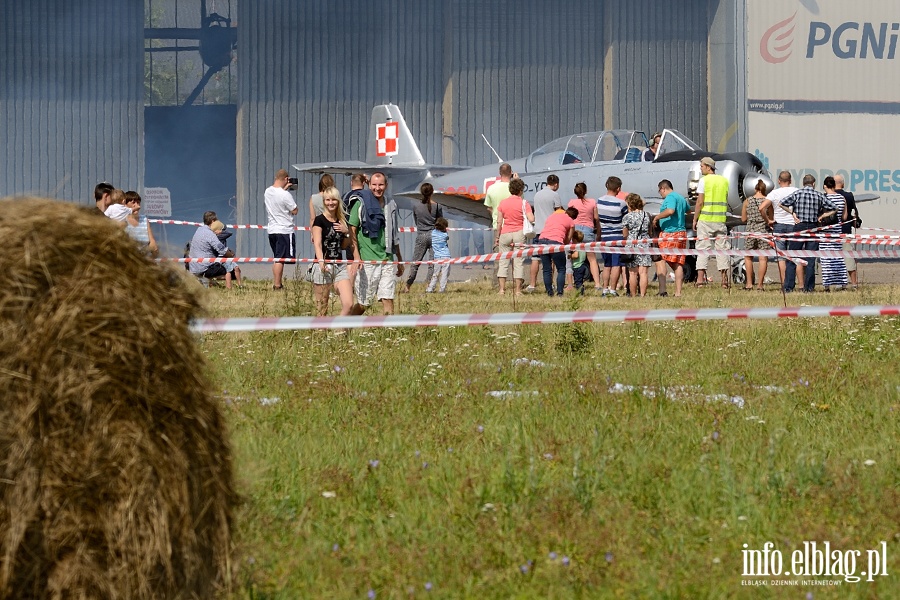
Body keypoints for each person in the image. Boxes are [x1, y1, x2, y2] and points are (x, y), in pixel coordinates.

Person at [349, 172, 404, 315]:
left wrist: (399, 259)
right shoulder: (360, 203)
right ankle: (344, 327)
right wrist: (356, 257)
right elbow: (352, 230)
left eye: (380, 185)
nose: (377, 188)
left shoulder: (391, 204)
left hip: (387, 259)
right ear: (369, 185)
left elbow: (394, 234)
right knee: (363, 304)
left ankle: (390, 334)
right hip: (367, 260)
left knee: (388, 299)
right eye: (374, 184)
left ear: (386, 185)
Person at [779, 174, 838, 293]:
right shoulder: (819, 195)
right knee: (810, 259)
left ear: (803, 183)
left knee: (792, 257)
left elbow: (781, 203)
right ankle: (809, 288)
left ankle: (788, 287)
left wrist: (792, 213)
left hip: (799, 227)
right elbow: (834, 208)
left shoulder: (797, 193)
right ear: (814, 183)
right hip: (813, 227)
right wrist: (822, 216)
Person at [311, 186, 354, 315]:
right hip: (322, 265)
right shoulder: (319, 220)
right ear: (324, 202)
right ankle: (320, 333)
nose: (331, 203)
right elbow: (317, 244)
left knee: (349, 304)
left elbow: (344, 245)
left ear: (338, 201)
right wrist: (321, 261)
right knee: (322, 307)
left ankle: (339, 331)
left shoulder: (341, 220)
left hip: (339, 266)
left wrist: (346, 233)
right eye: (328, 200)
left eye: (334, 200)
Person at [692, 156, 731, 288]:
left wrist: (695, 218)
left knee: (703, 248)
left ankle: (700, 280)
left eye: (702, 166)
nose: (701, 168)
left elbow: (700, 202)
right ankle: (724, 281)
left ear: (708, 167)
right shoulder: (724, 181)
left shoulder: (704, 181)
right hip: (720, 219)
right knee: (722, 249)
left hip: (706, 219)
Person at [494, 178, 534, 295]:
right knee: (518, 262)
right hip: (519, 233)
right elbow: (531, 218)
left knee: (503, 261)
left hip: (505, 233)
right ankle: (517, 290)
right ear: (521, 190)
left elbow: (499, 221)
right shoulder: (524, 203)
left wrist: (497, 236)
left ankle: (501, 289)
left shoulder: (503, 203)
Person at [652, 179, 689, 297]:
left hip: (670, 233)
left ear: (663, 188)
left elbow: (670, 210)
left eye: (660, 191)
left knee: (660, 259)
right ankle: (678, 292)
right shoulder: (681, 198)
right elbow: (688, 210)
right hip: (681, 233)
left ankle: (662, 290)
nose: (661, 194)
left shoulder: (670, 198)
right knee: (678, 263)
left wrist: (657, 217)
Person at [759, 170, 798, 285]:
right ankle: (796, 282)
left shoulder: (774, 193)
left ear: (779, 181)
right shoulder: (796, 191)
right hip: (793, 225)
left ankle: (784, 282)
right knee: (794, 254)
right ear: (790, 181)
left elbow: (762, 208)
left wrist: (768, 220)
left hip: (779, 225)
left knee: (781, 257)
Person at [404, 182, 443, 293]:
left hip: (421, 235)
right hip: (434, 235)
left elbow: (416, 220)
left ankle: (408, 286)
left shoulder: (416, 206)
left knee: (416, 262)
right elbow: (440, 221)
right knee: (432, 263)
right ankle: (428, 286)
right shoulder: (437, 206)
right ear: (432, 192)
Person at [264, 168, 299, 291]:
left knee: (277, 258)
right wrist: (286, 190)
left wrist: (284, 188)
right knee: (280, 259)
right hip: (284, 230)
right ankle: (277, 285)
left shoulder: (268, 191)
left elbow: (277, 197)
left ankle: (277, 283)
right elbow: (295, 210)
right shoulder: (285, 195)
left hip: (272, 230)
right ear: (286, 179)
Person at [526, 174, 562, 292]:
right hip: (550, 231)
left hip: (538, 230)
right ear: (556, 184)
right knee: (550, 260)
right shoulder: (555, 195)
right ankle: (550, 284)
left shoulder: (537, 195)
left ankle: (532, 284)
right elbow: (559, 212)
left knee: (535, 258)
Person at [597, 176, 628, 296]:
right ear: (618, 188)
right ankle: (613, 289)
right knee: (616, 265)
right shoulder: (621, 204)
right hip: (617, 236)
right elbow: (625, 222)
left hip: (605, 236)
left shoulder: (599, 201)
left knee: (606, 265)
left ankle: (604, 288)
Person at [567, 182, 601, 292]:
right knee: (592, 259)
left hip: (575, 231)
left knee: (573, 258)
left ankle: (571, 283)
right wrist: (599, 232)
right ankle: (597, 283)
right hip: (588, 230)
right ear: (585, 191)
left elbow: (569, 216)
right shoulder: (592, 202)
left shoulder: (572, 202)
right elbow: (596, 218)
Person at [740, 180, 772, 291]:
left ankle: (749, 284)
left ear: (755, 189)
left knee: (748, 257)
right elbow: (771, 218)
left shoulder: (747, 201)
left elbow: (743, 219)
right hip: (763, 230)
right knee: (763, 258)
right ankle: (760, 285)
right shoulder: (768, 202)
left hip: (750, 230)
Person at [188, 215, 235, 289]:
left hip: (193, 267)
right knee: (228, 270)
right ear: (213, 221)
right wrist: (231, 256)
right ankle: (229, 288)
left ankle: (206, 282)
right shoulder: (210, 234)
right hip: (203, 267)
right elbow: (222, 250)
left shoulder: (199, 230)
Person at [539, 206, 577, 296]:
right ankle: (560, 292)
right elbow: (568, 240)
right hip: (556, 243)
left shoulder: (552, 216)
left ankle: (549, 292)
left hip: (541, 242)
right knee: (561, 268)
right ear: (574, 217)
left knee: (547, 269)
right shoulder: (571, 221)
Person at [483, 162, 513, 270]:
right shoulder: (514, 188)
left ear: (499, 173)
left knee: (498, 256)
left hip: (498, 226)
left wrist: (495, 215)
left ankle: (497, 282)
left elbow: (489, 207)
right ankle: (518, 281)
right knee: (516, 257)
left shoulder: (491, 188)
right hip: (514, 226)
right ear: (511, 173)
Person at [821, 176, 848, 291]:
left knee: (826, 259)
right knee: (838, 258)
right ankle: (841, 283)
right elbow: (845, 217)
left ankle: (827, 285)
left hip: (825, 233)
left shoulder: (823, 198)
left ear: (825, 186)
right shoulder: (842, 198)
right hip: (837, 231)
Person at [622, 193, 652, 297]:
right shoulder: (646, 215)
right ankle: (643, 294)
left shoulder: (627, 217)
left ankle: (633, 294)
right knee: (643, 272)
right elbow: (649, 230)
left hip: (632, 244)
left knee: (632, 273)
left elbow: (625, 233)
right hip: (644, 243)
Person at [834, 174, 859, 288]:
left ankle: (839, 283)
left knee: (835, 258)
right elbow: (853, 212)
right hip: (846, 230)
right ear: (843, 184)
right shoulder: (849, 196)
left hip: (832, 231)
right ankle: (854, 283)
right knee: (849, 257)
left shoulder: (827, 196)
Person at [124, 191, 159, 258]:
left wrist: (153, 254)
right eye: (133, 202)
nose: (137, 205)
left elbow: (152, 241)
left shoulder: (144, 220)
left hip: (144, 259)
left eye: (138, 202)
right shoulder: (122, 220)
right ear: (125, 205)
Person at [209, 220, 243, 287]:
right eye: (222, 229)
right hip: (221, 257)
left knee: (236, 268)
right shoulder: (218, 236)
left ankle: (240, 285)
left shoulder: (220, 236)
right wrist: (221, 230)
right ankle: (229, 287)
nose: (223, 230)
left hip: (226, 256)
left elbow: (223, 247)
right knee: (228, 271)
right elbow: (229, 233)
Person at [427, 217, 451, 293]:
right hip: (446, 256)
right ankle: (442, 289)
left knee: (435, 274)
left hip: (437, 257)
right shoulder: (444, 235)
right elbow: (447, 237)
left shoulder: (433, 233)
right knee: (444, 274)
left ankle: (430, 288)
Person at [569, 230, 587, 294]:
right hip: (582, 264)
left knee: (577, 280)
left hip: (577, 266)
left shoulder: (577, 247)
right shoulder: (583, 246)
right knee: (580, 279)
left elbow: (576, 255)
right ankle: (581, 287)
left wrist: (570, 256)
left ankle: (580, 290)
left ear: (575, 239)